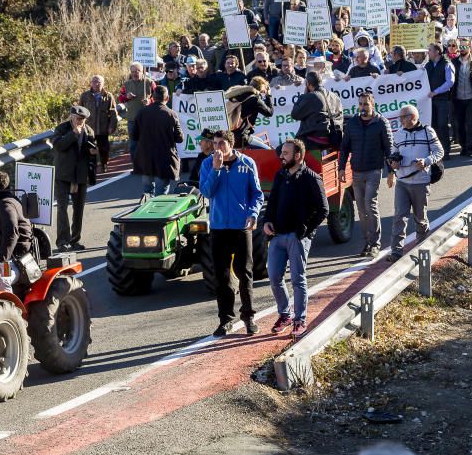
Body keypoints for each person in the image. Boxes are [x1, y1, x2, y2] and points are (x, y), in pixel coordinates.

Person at [199, 130, 264, 337]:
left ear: (230, 144)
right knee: (222, 276)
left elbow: (257, 194)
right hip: (218, 227)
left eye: (221, 144)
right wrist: (216, 170)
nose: (216, 148)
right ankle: (226, 319)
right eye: (215, 144)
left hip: (241, 227)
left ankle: (249, 317)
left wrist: (253, 214)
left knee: (245, 273)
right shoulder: (208, 164)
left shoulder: (247, 164)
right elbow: (207, 192)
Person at [264, 138, 329, 338]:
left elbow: (323, 209)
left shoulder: (311, 178)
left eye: (286, 153)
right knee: (274, 276)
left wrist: (304, 230)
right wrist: (266, 221)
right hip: (277, 236)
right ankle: (285, 314)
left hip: (297, 238)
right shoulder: (280, 175)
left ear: (298, 156)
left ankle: (300, 319)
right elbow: (272, 201)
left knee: (297, 279)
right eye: (282, 152)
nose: (281, 156)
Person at [339, 93, 393, 257]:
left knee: (370, 205)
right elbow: (345, 147)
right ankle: (367, 242)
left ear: (373, 105)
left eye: (366, 104)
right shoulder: (352, 124)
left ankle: (375, 244)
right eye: (361, 104)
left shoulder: (381, 123)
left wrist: (391, 172)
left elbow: (389, 149)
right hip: (356, 172)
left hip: (374, 171)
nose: (363, 107)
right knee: (361, 210)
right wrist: (341, 168)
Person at [386, 105, 443, 262]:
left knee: (420, 218)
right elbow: (393, 154)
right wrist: (393, 164)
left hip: (420, 182)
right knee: (399, 216)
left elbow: (440, 151)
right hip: (402, 182)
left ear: (413, 117)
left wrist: (426, 161)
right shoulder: (398, 135)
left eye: (403, 117)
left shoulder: (427, 132)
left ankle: (422, 248)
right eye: (400, 117)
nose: (400, 120)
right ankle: (396, 251)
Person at [52, 105, 97, 251]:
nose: (80, 122)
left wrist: (92, 151)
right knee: (62, 208)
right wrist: (73, 134)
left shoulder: (89, 131)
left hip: (80, 175)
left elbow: (92, 150)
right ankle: (62, 241)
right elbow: (58, 146)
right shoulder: (62, 129)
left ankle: (75, 240)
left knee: (79, 209)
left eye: (83, 119)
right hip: (63, 175)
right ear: (71, 117)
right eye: (78, 119)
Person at [132, 86, 184, 197]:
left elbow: (134, 136)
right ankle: (158, 213)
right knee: (161, 193)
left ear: (152, 97)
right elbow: (180, 138)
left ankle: (147, 213)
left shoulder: (141, 112)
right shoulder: (171, 114)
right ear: (167, 98)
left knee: (147, 191)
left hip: (145, 157)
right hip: (164, 157)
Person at [291, 72, 344, 150]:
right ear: (320, 82)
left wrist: (304, 96)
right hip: (333, 137)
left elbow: (294, 114)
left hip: (315, 138)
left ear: (307, 83)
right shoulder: (334, 95)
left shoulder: (310, 96)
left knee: (283, 149)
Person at [0, 170, 32, 264]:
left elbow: (11, 233)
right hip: (13, 250)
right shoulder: (12, 200)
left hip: (15, 254)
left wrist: (1, 259)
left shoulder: (5, 205)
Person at [451, 38, 472, 157]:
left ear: (469, 47)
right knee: (459, 124)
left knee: (470, 124)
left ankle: (470, 147)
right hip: (458, 98)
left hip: (471, 98)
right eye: (461, 47)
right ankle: (463, 145)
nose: (462, 49)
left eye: (465, 47)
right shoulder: (454, 62)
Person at [79, 75, 119, 173]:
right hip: (89, 128)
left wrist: (111, 126)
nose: (96, 84)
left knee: (104, 149)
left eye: (99, 82)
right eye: (94, 82)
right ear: (91, 83)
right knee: (89, 149)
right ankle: (90, 167)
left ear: (103, 84)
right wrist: (79, 126)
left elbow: (113, 112)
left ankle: (104, 164)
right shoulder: (85, 96)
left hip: (103, 128)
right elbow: (79, 111)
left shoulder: (108, 96)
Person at [424, 43, 455, 159]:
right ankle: (436, 151)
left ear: (437, 51)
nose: (428, 52)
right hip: (431, 101)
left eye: (430, 50)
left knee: (442, 125)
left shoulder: (447, 64)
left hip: (442, 100)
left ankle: (445, 150)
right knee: (434, 126)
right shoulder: (428, 65)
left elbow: (449, 82)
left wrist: (436, 92)